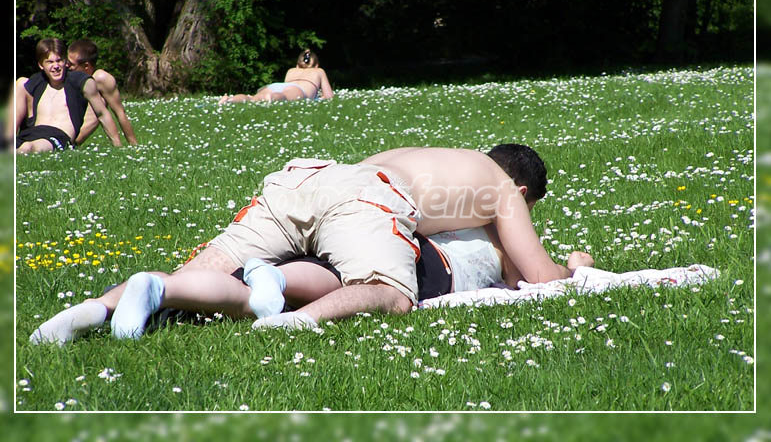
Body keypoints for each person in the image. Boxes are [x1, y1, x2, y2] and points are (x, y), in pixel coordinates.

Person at [30, 144, 587, 342]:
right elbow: (538, 277)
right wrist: (574, 264)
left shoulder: (447, 159)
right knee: (392, 293)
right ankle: (296, 321)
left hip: (308, 178)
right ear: (523, 191)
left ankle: (100, 307)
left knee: (210, 266)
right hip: (370, 197)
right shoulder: (501, 187)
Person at [30, 224, 594, 345]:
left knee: (246, 289)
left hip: (353, 232)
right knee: (259, 300)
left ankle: (122, 300)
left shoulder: (445, 207)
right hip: (424, 264)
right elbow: (532, 281)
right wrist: (577, 262)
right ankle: (272, 284)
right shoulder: (499, 223)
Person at [14, 38, 123, 154]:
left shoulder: (80, 82)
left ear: (65, 61)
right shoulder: (37, 81)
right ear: (41, 65)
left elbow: (102, 114)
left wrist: (118, 147)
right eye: (50, 62)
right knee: (20, 82)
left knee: (27, 147)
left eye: (59, 61)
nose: (56, 66)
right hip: (31, 134)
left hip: (58, 136)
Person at [66, 39, 138, 146]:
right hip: (62, 129)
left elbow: (120, 113)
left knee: (100, 103)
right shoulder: (65, 77)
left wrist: (134, 145)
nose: (67, 67)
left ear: (86, 66)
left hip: (73, 137)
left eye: (71, 64)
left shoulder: (100, 78)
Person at [218, 49, 333, 104]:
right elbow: (329, 96)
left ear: (297, 64)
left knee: (252, 98)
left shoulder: (291, 70)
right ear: (316, 65)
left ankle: (230, 100)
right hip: (297, 90)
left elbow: (285, 86)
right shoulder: (319, 71)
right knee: (284, 96)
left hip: (276, 86)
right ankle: (272, 98)